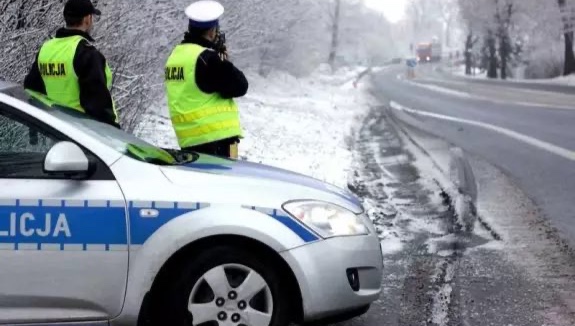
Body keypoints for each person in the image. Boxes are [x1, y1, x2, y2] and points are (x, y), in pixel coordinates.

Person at [165, 0, 248, 159]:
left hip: (189, 139)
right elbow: (240, 86)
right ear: (211, 32)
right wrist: (222, 59)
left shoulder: (175, 56)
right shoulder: (207, 59)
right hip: (216, 141)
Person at [24, 0, 120, 129]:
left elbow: (32, 92)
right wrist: (114, 134)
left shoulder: (45, 49)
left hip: (56, 129)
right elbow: (98, 104)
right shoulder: (86, 53)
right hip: (85, 132)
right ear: (87, 19)